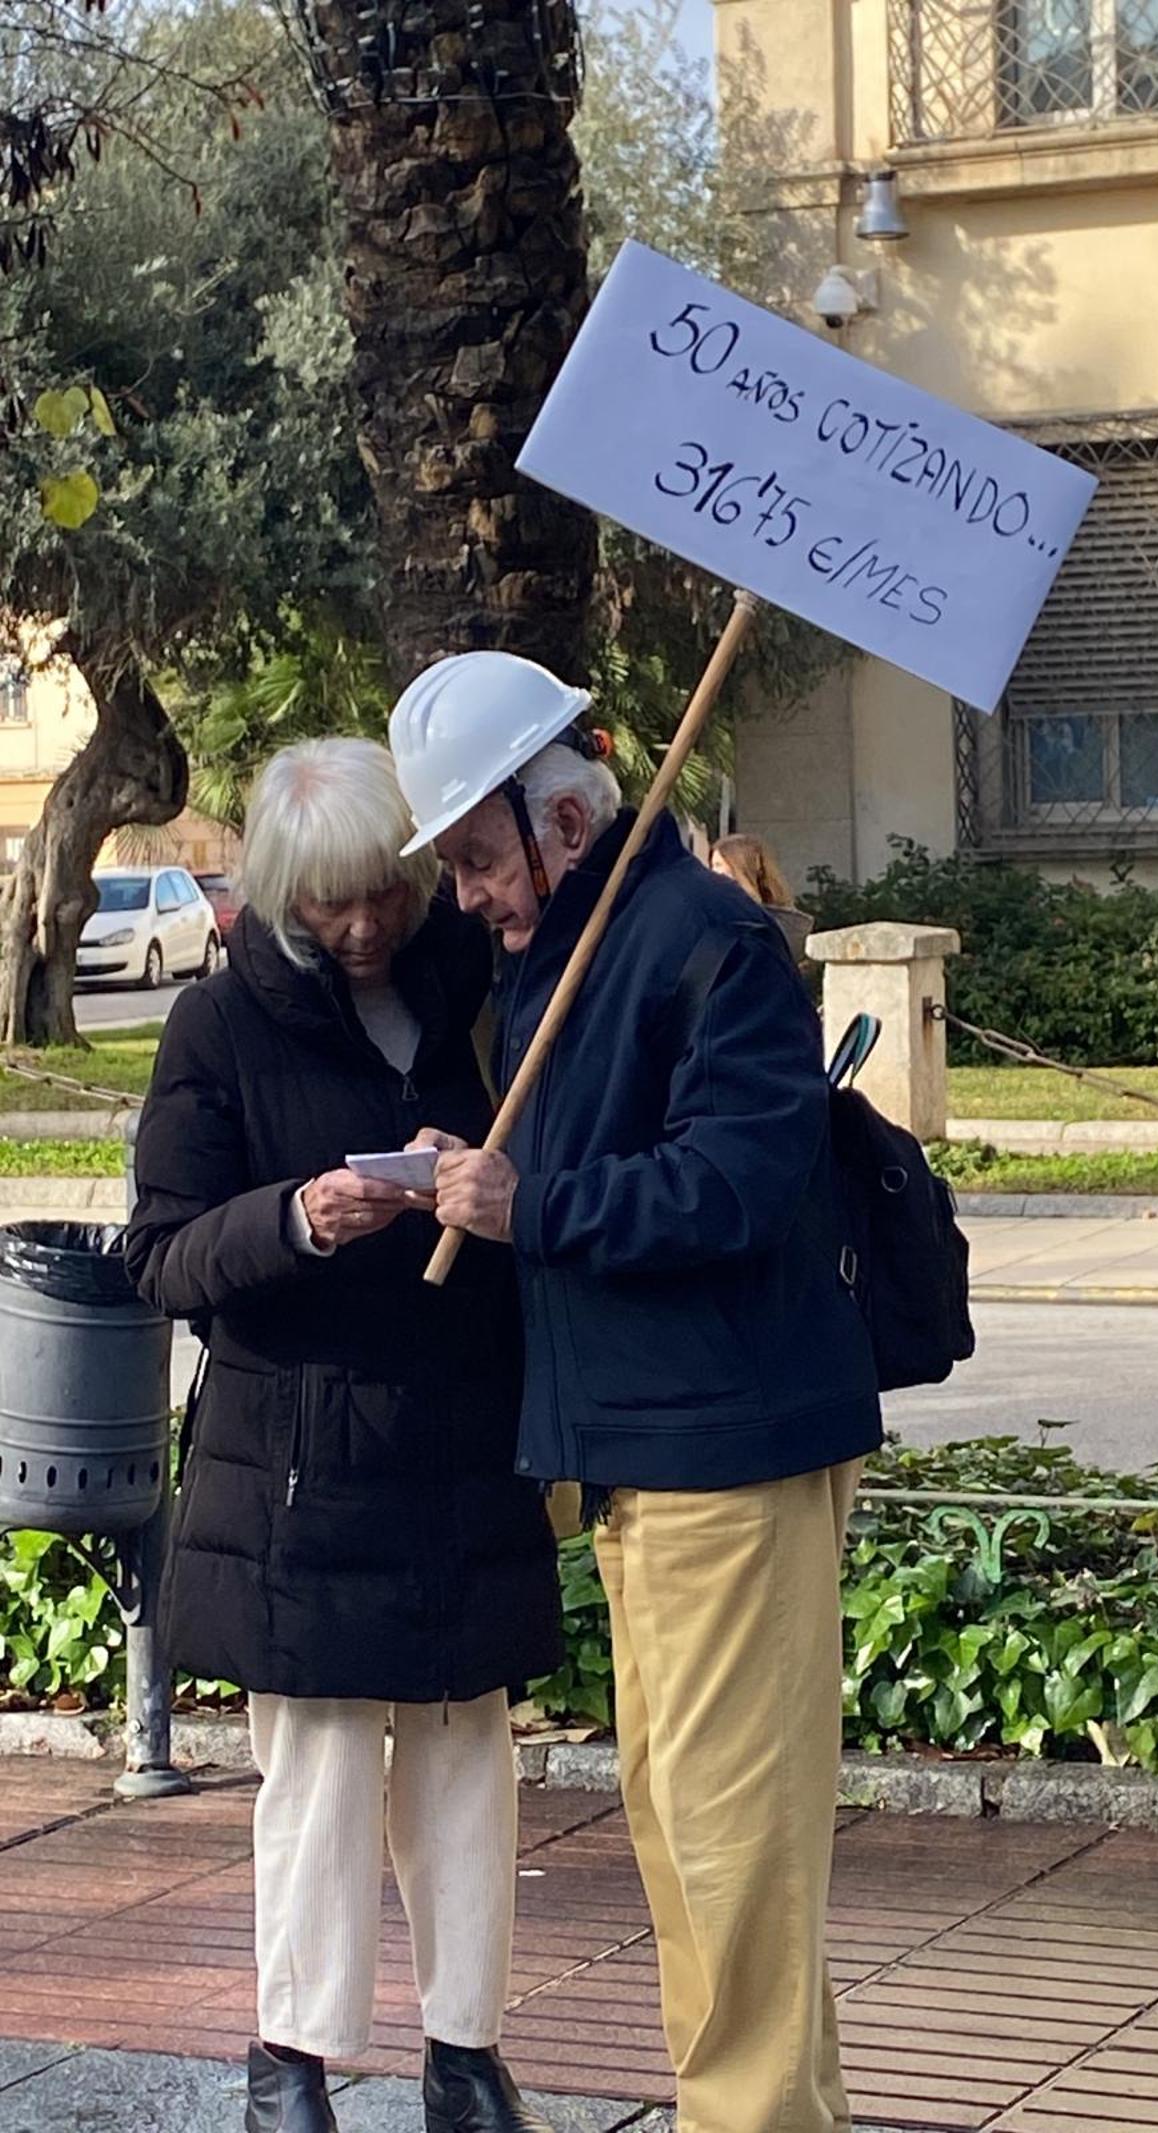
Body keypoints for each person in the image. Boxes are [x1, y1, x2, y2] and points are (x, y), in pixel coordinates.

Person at [389, 654, 884, 2133]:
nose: (470, 893)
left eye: (478, 857)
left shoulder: (709, 940)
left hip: (725, 1451)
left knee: (732, 1846)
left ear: (560, 813)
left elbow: (732, 1184)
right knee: (689, 1838)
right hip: (652, 1455)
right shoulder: (579, 943)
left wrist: (525, 1203)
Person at [125, 738, 560, 2133]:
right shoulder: (217, 1030)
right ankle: (290, 2062)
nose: (365, 926)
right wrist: (295, 1220)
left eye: (383, 892)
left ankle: (466, 2053)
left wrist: (489, 1195)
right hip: (300, 1461)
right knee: (312, 1771)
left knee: (463, 1755)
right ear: (275, 895)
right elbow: (160, 1256)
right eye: (330, 906)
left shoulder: (476, 987)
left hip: (457, 1438)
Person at [710, 832, 812, 963]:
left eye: (718, 865)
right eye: (712, 865)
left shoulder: (784, 922)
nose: (712, 872)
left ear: (738, 866)